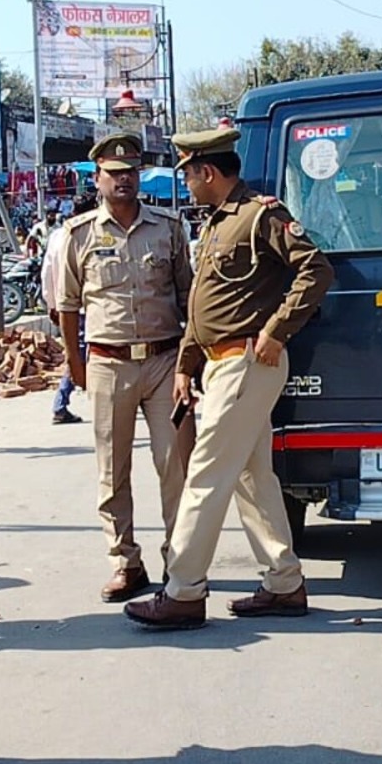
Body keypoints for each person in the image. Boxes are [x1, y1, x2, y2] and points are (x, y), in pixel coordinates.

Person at [124, 127, 333, 630]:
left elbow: (315, 270)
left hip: (245, 362)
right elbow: (205, 306)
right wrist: (186, 367)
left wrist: (277, 331)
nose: (188, 185)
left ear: (209, 172)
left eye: (190, 174)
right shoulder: (217, 223)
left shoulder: (260, 215)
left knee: (206, 475)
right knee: (251, 476)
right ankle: (284, 583)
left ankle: (183, 591)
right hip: (221, 365)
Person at [60, 133, 197, 602]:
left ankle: (181, 563)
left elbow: (188, 297)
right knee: (111, 469)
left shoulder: (168, 227)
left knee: (175, 463)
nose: (124, 180)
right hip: (108, 363)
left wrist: (189, 363)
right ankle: (126, 562)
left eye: (131, 172)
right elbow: (68, 306)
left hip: (163, 361)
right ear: (97, 178)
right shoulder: (77, 234)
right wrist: (75, 364)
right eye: (114, 174)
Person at [41, 190, 97, 426]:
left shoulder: (58, 236)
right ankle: (61, 403)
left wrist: (51, 303)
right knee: (82, 353)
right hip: (87, 307)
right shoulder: (89, 234)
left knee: (80, 351)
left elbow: (47, 272)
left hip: (67, 307)